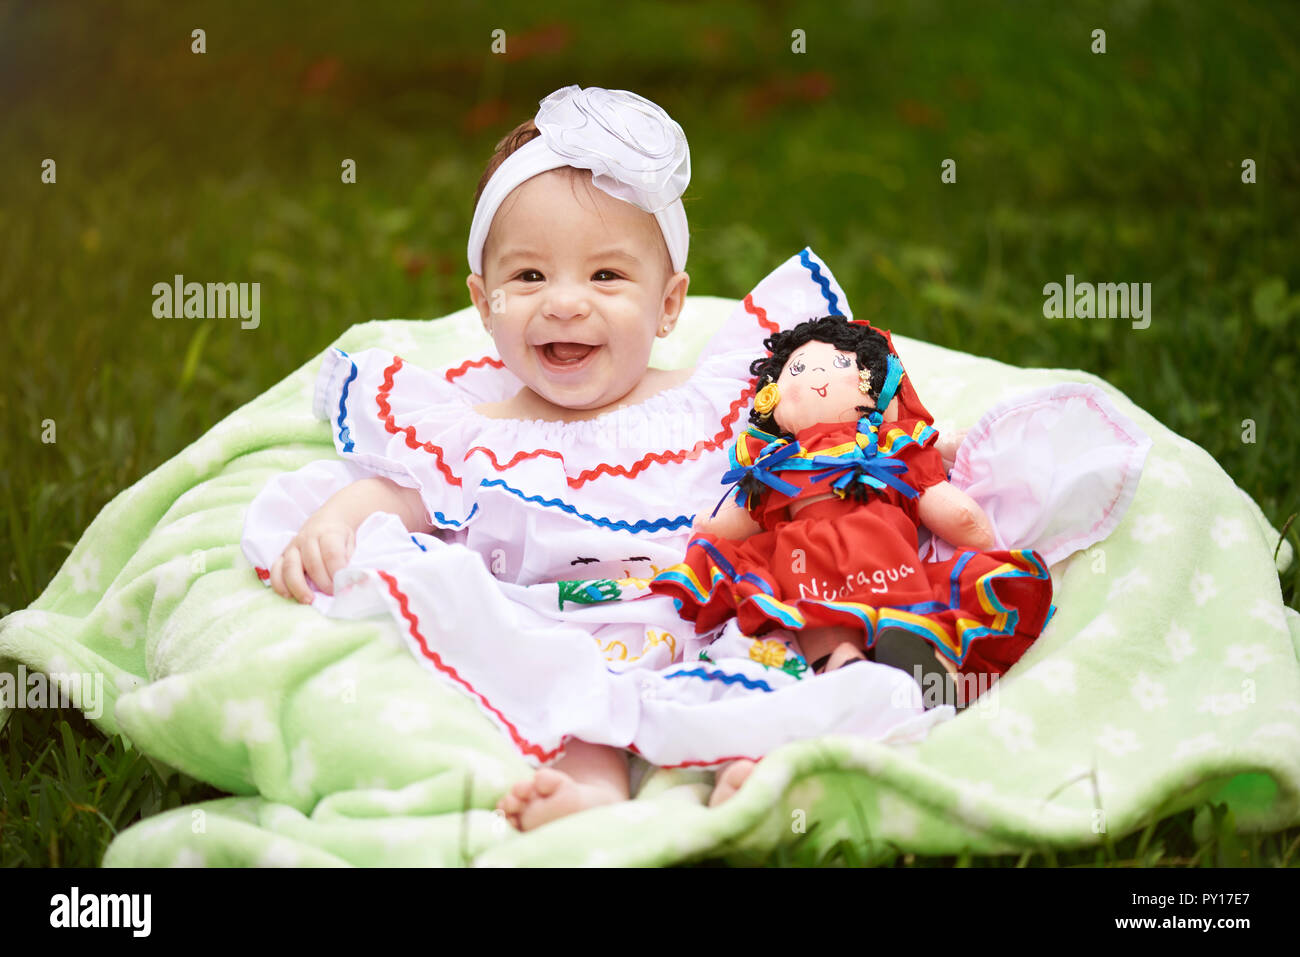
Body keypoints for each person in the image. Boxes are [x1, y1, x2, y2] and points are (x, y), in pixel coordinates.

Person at [241, 85, 959, 831]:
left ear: (669, 303)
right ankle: (591, 786)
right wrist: (341, 514)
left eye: (606, 275)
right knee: (573, 692)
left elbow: (826, 441)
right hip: (573, 624)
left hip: (714, 599)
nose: (565, 303)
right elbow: (408, 491)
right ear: (484, 303)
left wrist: (913, 456)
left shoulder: (710, 396)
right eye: (528, 277)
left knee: (782, 644)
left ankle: (760, 758)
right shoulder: (479, 429)